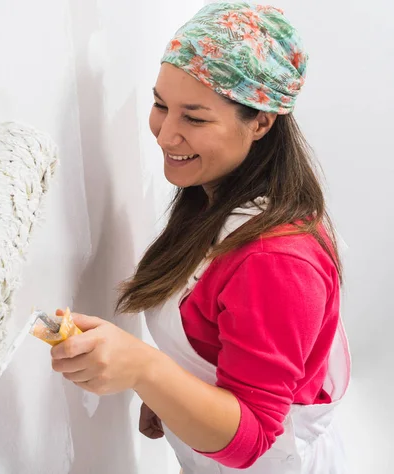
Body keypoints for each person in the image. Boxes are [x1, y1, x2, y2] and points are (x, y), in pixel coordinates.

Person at [49, 2, 351, 473]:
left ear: (261, 122)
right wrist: (175, 397)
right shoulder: (215, 198)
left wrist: (145, 369)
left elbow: (252, 437)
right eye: (160, 105)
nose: (166, 135)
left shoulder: (277, 260)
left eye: (194, 118)